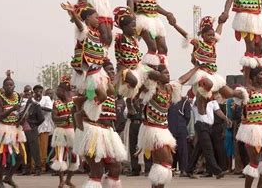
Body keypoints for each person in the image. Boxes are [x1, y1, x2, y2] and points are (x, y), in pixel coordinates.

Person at [73, 60, 128, 188]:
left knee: (116, 168)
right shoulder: (92, 83)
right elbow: (82, 99)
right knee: (96, 171)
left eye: (113, 69)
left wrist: (121, 69)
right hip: (92, 132)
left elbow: (117, 80)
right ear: (101, 71)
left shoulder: (109, 85)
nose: (112, 72)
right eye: (109, 69)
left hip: (107, 132)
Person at [136, 66, 182, 188]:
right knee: (168, 161)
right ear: (158, 75)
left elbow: (182, 80)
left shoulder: (169, 89)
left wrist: (197, 68)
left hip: (163, 130)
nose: (168, 75)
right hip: (152, 130)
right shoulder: (151, 88)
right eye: (165, 73)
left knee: (160, 163)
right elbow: (140, 85)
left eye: (169, 73)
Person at [171, 16, 233, 103]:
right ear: (203, 35)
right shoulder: (199, 44)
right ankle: (184, 93)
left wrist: (221, 23)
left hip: (213, 74)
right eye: (209, 35)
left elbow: (218, 33)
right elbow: (186, 35)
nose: (212, 37)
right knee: (205, 87)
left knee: (228, 92)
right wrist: (175, 25)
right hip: (201, 72)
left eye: (212, 35)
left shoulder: (213, 44)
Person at [61, 2, 109, 105]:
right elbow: (80, 25)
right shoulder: (84, 31)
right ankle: (78, 107)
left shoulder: (96, 33)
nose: (98, 20)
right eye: (96, 18)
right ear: (87, 18)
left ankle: (80, 109)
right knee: (102, 96)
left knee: (101, 94)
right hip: (89, 74)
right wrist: (73, 14)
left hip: (98, 71)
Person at [0, 71, 26, 188]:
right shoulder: (0, 99)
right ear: (3, 87)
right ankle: (0, 181)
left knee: (21, 156)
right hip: (3, 129)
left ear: (14, 86)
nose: (9, 87)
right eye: (7, 85)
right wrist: (12, 109)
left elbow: (20, 112)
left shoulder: (18, 96)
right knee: (3, 156)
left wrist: (22, 118)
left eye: (11, 85)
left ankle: (8, 178)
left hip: (15, 129)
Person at [186, 98, 232, 179]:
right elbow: (199, 106)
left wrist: (226, 119)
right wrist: (205, 97)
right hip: (201, 126)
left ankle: (189, 169)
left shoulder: (213, 100)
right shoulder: (198, 98)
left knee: (198, 150)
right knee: (208, 149)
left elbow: (217, 110)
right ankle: (217, 171)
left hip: (209, 127)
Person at [50, 76, 79, 188]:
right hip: (60, 132)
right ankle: (61, 180)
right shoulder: (56, 103)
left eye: (59, 90)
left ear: (65, 91)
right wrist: (64, 118)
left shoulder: (74, 101)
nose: (57, 92)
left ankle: (68, 180)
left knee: (75, 157)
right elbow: (54, 117)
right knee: (60, 157)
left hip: (73, 131)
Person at [19, 86, 45, 176]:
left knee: (35, 150)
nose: (28, 96)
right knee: (26, 150)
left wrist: (34, 125)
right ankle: (26, 169)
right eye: (27, 94)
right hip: (24, 129)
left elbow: (41, 118)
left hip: (32, 129)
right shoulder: (25, 104)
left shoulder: (36, 105)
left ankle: (38, 169)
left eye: (30, 94)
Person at [168, 95, 192, 177]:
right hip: (170, 129)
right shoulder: (167, 100)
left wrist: (182, 125)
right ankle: (171, 170)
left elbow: (188, 117)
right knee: (171, 151)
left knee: (183, 150)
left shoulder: (185, 101)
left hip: (180, 129)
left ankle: (183, 170)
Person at [32, 85, 54, 173]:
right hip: (34, 126)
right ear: (34, 92)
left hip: (44, 126)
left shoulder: (46, 99)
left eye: (40, 91)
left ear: (42, 91)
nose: (38, 93)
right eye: (36, 91)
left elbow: (49, 109)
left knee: (43, 148)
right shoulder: (32, 100)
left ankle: (43, 167)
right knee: (34, 147)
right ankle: (34, 167)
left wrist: (38, 107)